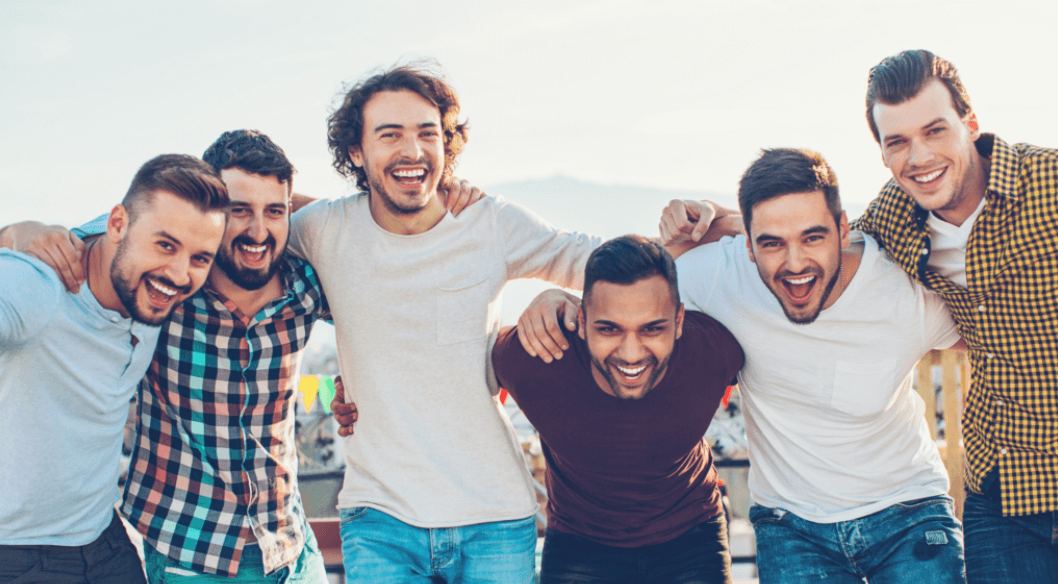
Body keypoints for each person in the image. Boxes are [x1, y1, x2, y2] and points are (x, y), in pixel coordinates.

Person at [5, 130, 488, 582]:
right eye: (238, 210)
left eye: (275, 211)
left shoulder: (307, 285)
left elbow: (389, 284)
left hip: (289, 549)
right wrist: (19, 231)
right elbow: (118, 231)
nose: (258, 232)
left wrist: (436, 206)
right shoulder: (171, 286)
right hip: (186, 553)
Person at [661, 50, 1058, 583]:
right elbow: (815, 233)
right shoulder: (894, 219)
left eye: (935, 130)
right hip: (1003, 491)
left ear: (971, 124)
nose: (919, 156)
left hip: (931, 504)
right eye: (897, 141)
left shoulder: (1048, 184)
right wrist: (723, 222)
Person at [528, 148, 967, 582]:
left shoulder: (902, 292)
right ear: (748, 246)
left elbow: (998, 336)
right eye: (771, 243)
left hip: (908, 512)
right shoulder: (721, 276)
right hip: (793, 526)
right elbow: (632, 289)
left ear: (842, 228)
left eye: (812, 237)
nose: (795, 264)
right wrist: (558, 300)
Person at [291, 61, 600, 583]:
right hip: (379, 518)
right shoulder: (323, 230)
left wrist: (721, 234)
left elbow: (605, 265)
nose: (412, 151)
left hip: (495, 517)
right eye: (390, 135)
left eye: (427, 134)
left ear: (446, 147)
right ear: (356, 152)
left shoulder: (490, 222)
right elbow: (248, 216)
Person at [0, 154, 228, 584]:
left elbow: (276, 203)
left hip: (105, 541)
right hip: (15, 554)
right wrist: (10, 236)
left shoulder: (152, 285)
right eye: (165, 245)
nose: (179, 274)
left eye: (200, 258)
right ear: (118, 224)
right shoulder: (38, 284)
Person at [491, 235, 742, 583]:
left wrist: (714, 213)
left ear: (680, 321)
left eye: (652, 328)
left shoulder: (714, 351)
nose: (631, 352)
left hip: (691, 539)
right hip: (580, 547)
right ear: (581, 320)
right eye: (609, 328)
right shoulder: (536, 360)